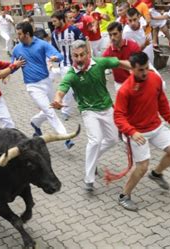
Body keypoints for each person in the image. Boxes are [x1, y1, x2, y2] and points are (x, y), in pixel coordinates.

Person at [52, 40, 131, 191]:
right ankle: (89, 180)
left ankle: (92, 159)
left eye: (82, 55)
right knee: (95, 140)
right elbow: (62, 89)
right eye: (75, 56)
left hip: (107, 107)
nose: (79, 59)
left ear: (88, 54)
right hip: (88, 110)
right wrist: (57, 100)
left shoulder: (99, 63)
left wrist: (138, 68)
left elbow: (119, 63)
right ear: (71, 56)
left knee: (113, 139)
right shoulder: (71, 74)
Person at [114, 52, 170, 211]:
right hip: (137, 133)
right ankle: (124, 196)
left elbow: (161, 101)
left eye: (146, 68)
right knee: (142, 167)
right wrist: (132, 132)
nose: (145, 73)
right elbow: (118, 116)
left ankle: (157, 174)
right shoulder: (125, 90)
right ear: (132, 69)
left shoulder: (155, 78)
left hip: (156, 126)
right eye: (140, 70)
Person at [12, 21, 74, 149]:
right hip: (32, 86)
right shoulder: (17, 49)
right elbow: (12, 66)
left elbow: (59, 55)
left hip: (46, 82)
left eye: (19, 34)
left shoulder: (42, 44)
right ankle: (65, 137)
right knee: (50, 111)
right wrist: (12, 68)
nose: (17, 36)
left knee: (49, 109)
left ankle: (35, 123)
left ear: (27, 34)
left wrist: (55, 58)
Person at [50, 11, 85, 121]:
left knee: (80, 85)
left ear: (62, 20)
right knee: (68, 87)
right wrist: (54, 58)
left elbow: (83, 42)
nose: (53, 24)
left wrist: (86, 57)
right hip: (64, 65)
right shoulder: (54, 34)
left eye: (55, 21)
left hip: (78, 63)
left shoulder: (73, 30)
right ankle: (66, 111)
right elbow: (55, 50)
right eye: (52, 22)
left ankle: (82, 104)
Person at [103, 22, 141, 92]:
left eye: (115, 34)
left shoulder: (133, 46)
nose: (112, 38)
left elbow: (139, 65)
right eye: (110, 35)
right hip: (119, 84)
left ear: (121, 32)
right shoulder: (108, 52)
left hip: (135, 82)